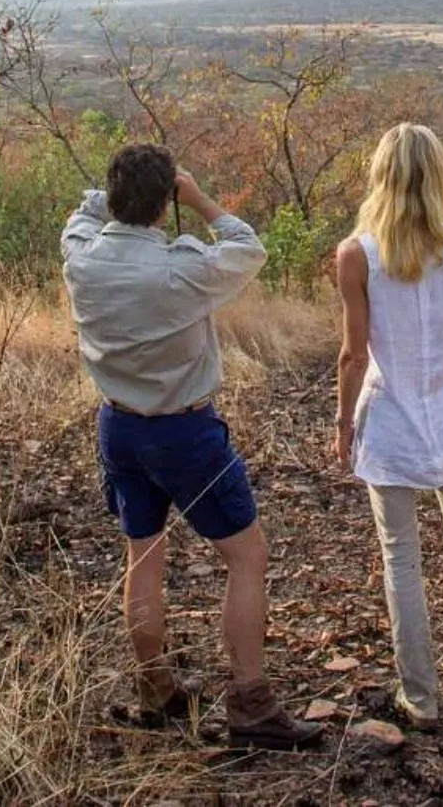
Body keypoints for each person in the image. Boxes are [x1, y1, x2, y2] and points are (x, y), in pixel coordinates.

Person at [62, 144, 319, 749]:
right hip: (185, 430)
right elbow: (247, 247)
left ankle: (155, 688)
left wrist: (122, 195)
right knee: (247, 556)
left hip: (118, 427)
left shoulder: (81, 258)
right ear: (164, 204)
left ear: (117, 198)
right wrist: (197, 197)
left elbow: (83, 210)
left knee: (143, 556)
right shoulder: (182, 268)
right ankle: (251, 704)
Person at [332, 123, 443, 728]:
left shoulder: (358, 254)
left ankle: (422, 698)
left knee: (401, 557)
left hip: (392, 419)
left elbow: (354, 355)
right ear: (439, 175)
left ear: (381, 176)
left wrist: (343, 423)